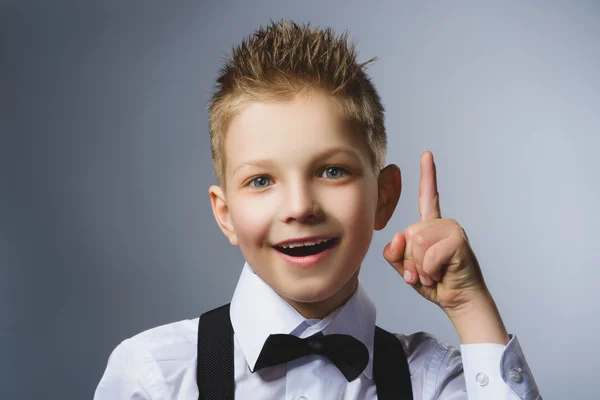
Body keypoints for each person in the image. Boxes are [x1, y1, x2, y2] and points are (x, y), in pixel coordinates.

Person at [94, 20, 542, 399]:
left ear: (383, 197)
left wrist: (470, 306)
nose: (299, 207)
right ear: (225, 214)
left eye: (331, 171)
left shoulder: (431, 380)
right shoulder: (154, 377)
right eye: (262, 180)